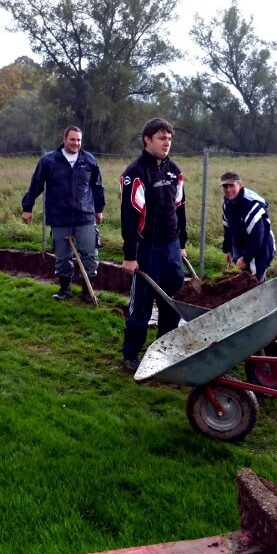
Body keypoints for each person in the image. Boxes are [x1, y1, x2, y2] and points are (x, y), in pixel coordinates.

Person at [119, 118, 187, 373]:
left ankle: (163, 351)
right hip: (147, 249)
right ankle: (130, 354)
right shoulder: (135, 173)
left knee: (173, 302)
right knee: (142, 305)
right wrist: (130, 255)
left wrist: (182, 243)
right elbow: (129, 215)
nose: (166, 142)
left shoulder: (174, 171)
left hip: (171, 247)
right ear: (147, 140)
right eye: (161, 138)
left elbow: (180, 209)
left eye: (169, 138)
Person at [21, 126, 106, 301]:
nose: (76, 143)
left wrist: (99, 210)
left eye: (79, 140)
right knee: (62, 256)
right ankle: (64, 289)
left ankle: (87, 292)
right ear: (65, 139)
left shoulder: (89, 160)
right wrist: (27, 208)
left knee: (90, 254)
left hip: (85, 216)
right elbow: (36, 184)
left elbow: (97, 187)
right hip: (59, 217)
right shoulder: (49, 161)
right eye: (73, 139)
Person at [220, 172, 276, 281]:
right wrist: (228, 249)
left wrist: (246, 258)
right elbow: (228, 228)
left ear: (240, 185)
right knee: (242, 278)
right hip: (241, 244)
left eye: (231, 185)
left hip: (261, 247)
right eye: (225, 186)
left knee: (254, 280)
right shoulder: (227, 203)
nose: (228, 189)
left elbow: (257, 236)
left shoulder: (250, 204)